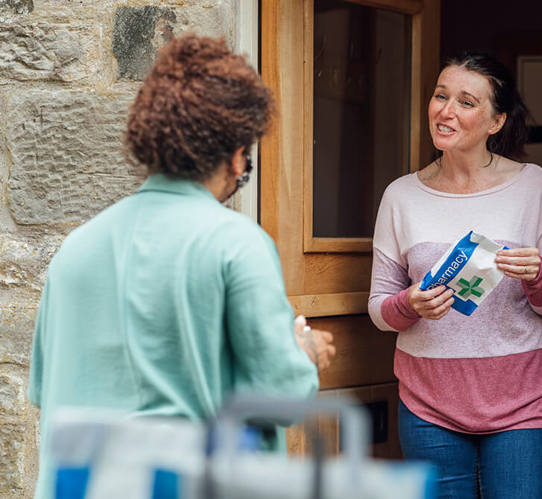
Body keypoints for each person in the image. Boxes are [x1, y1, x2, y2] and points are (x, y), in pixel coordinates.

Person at [28, 34, 335, 499]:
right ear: (237, 155)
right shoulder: (236, 243)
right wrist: (304, 352)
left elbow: (45, 391)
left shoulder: (75, 249)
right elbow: (281, 398)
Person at [368, 52, 542, 499]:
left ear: (495, 122)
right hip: (429, 404)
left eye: (465, 101)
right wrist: (409, 304)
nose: (445, 110)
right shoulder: (401, 196)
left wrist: (538, 276)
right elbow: (380, 309)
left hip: (524, 402)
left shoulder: (533, 186)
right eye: (441, 96)